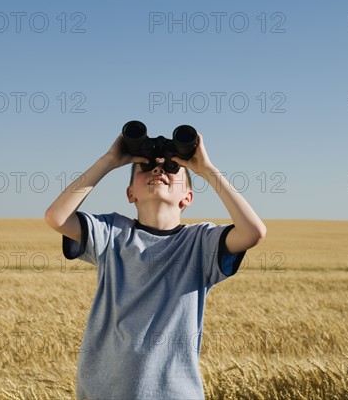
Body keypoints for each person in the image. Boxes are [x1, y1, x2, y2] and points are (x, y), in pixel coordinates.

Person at [44, 128, 267, 400]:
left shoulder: (200, 243)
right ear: (130, 194)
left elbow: (253, 232)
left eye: (173, 168)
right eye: (145, 167)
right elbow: (57, 217)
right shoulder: (112, 233)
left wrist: (206, 169)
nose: (158, 170)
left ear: (188, 198)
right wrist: (109, 160)